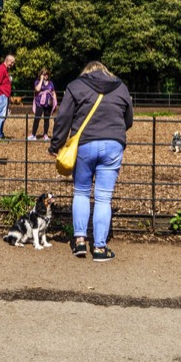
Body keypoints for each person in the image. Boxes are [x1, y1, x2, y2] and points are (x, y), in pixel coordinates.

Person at [48, 60, 134, 263]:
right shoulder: (121, 87)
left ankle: (79, 241)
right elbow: (128, 119)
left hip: (84, 145)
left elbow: (63, 118)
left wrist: (55, 145)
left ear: (86, 72)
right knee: (104, 198)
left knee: (81, 192)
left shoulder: (76, 86)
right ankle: (100, 248)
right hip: (113, 145)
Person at [0, 54, 15, 140]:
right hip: (2, 95)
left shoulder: (5, 70)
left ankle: (0, 133)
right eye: (11, 62)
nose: (12, 65)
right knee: (1, 115)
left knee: (4, 115)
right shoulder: (1, 69)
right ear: (7, 60)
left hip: (5, 95)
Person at [30, 67, 57, 141]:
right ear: (41, 74)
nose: (46, 76)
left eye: (47, 74)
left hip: (48, 103)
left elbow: (53, 92)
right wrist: (41, 80)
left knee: (46, 119)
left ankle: (45, 134)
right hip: (39, 103)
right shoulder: (37, 82)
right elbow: (37, 89)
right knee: (37, 118)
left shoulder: (51, 83)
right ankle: (33, 134)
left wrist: (55, 102)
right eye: (44, 74)